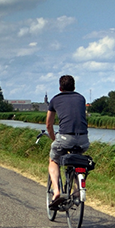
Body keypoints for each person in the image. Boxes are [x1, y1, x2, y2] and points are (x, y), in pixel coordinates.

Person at [46, 75, 89, 207]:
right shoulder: (81, 98)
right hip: (83, 139)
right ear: (74, 87)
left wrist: (54, 138)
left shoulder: (55, 100)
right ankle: (77, 190)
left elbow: (49, 124)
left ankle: (56, 191)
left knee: (53, 160)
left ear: (60, 88)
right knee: (77, 161)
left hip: (65, 137)